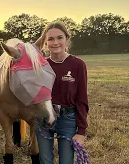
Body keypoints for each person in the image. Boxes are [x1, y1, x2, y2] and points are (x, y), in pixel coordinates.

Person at [34, 22, 89, 164]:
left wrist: (81, 131)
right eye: (50, 39)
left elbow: (82, 99)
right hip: (44, 117)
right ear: (45, 43)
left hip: (68, 119)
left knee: (66, 161)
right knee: (45, 161)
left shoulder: (78, 64)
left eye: (60, 38)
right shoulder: (40, 66)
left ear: (67, 39)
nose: (55, 42)